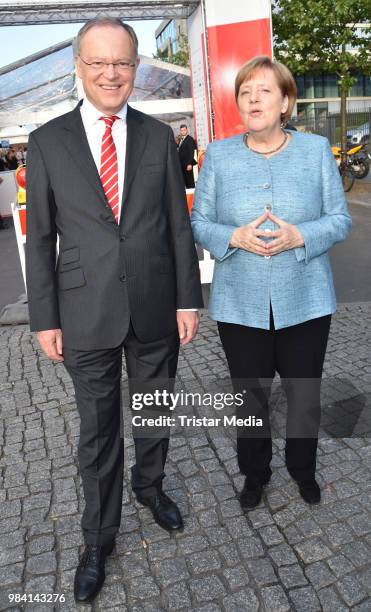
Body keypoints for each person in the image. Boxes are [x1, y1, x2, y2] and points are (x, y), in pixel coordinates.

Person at [26, 17, 202, 604]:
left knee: (154, 411)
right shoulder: (48, 141)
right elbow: (43, 236)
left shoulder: (158, 137)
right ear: (79, 66)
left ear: (136, 67)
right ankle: (97, 538)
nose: (110, 73)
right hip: (84, 313)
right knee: (96, 433)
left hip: (155, 305)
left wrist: (187, 298)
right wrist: (45, 318)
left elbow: (178, 227)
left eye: (122, 63)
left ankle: (150, 488)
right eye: (98, 62)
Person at [191, 56, 351, 511]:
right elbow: (199, 222)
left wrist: (301, 235)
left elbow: (339, 221)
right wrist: (233, 237)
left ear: (286, 102)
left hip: (305, 299)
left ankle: (303, 470)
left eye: (264, 91)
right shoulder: (218, 155)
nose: (253, 99)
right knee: (250, 398)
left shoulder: (316, 151)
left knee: (303, 392)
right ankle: (255, 474)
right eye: (245, 92)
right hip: (239, 303)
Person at [178, 124, 197, 188]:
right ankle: (188, 196)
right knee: (185, 182)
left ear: (187, 130)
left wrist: (189, 164)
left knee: (190, 181)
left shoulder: (190, 139)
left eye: (184, 130)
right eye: (181, 130)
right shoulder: (181, 139)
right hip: (182, 165)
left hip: (187, 165)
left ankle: (192, 197)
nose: (183, 131)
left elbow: (191, 152)